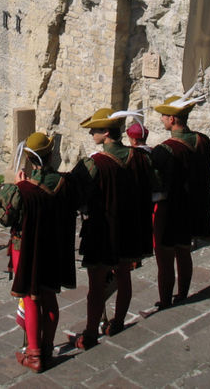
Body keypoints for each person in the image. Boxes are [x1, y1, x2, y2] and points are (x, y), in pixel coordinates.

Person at [0, 132, 76, 373]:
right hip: (55, 247)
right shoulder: (64, 183)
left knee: (30, 297)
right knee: (49, 296)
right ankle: (47, 348)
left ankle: (35, 355)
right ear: (51, 155)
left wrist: (16, 186)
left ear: (29, 158)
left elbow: (3, 216)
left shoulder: (23, 190)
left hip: (27, 249)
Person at [72, 109, 153, 349]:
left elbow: (75, 194)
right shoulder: (140, 157)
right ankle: (117, 321)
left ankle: (89, 333)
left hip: (102, 231)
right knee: (125, 275)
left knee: (96, 286)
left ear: (106, 133)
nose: (90, 133)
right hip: (130, 227)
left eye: (95, 130)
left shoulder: (93, 164)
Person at [150, 93, 210, 304]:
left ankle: (165, 300)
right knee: (184, 252)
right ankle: (183, 293)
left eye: (164, 116)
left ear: (173, 119)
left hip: (170, 210)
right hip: (194, 206)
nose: (162, 119)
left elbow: (155, 182)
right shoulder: (203, 141)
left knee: (165, 258)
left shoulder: (164, 150)